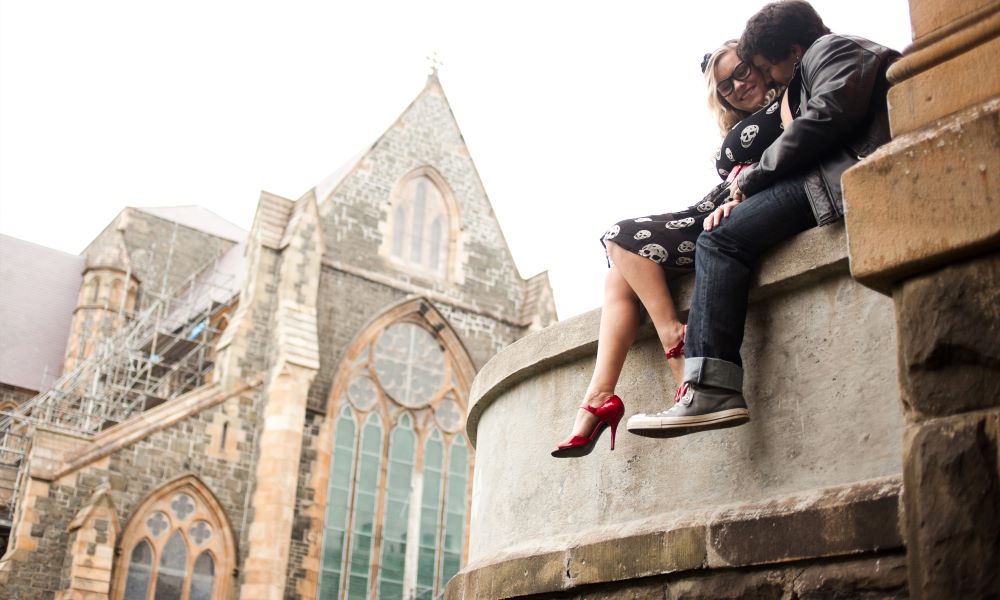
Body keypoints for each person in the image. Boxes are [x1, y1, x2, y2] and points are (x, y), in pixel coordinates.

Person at [626, 0, 900, 436]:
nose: (766, 78)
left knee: (719, 240)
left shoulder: (832, 50)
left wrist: (753, 178)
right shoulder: (823, 58)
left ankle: (710, 390)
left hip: (842, 176)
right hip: (830, 176)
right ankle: (707, 387)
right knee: (722, 234)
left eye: (761, 67)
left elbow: (824, 118)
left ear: (790, 51)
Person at [552, 40, 784, 457]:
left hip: (736, 211)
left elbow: (793, 156)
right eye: (725, 86)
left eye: (742, 72)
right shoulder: (746, 120)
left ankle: (673, 342)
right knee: (618, 276)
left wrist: (744, 196)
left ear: (761, 64)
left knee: (620, 235)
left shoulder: (787, 98)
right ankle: (599, 395)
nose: (737, 86)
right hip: (715, 208)